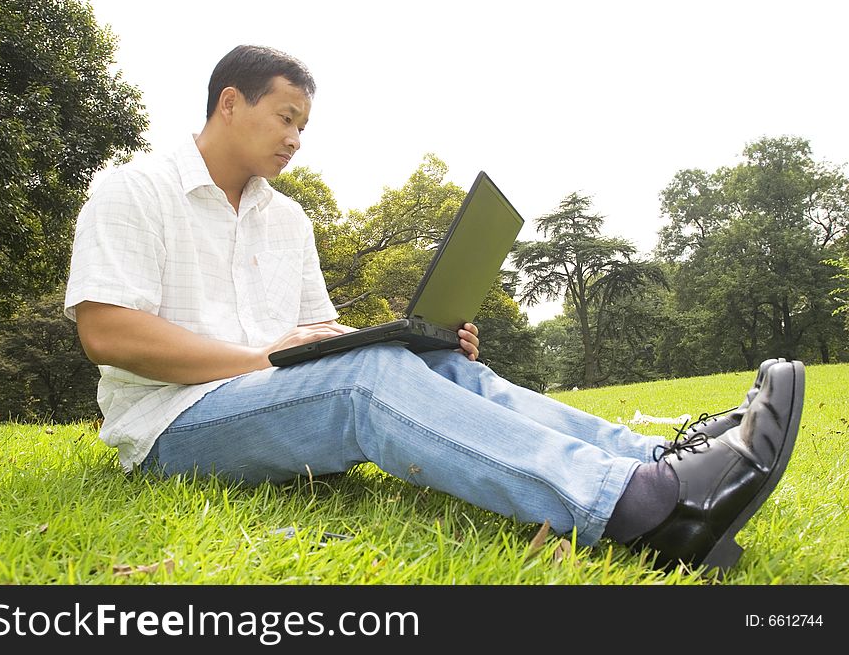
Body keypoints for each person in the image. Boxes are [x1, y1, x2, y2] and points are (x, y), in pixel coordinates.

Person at [64, 44, 805, 575]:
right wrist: (262, 358)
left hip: (271, 394)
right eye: (286, 118)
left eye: (304, 127)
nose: (295, 139)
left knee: (416, 362)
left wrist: (417, 339)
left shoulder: (287, 220)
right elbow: (107, 331)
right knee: (362, 384)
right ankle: (643, 510)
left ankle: (654, 459)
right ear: (230, 102)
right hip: (175, 425)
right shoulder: (135, 188)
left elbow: (321, 332)